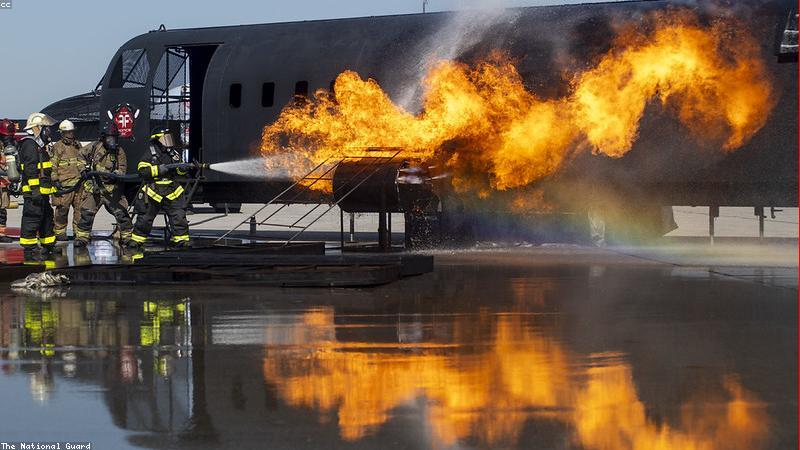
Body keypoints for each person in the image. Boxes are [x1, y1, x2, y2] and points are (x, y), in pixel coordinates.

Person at [74, 122, 134, 248]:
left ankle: (127, 237)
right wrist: (83, 170)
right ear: (103, 138)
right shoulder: (95, 147)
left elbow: (122, 168)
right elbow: (80, 155)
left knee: (122, 213)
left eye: (114, 138)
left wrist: (117, 174)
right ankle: (82, 238)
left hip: (111, 190)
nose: (112, 141)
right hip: (94, 188)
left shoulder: (119, 152)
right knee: (86, 214)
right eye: (109, 138)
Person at [131, 127, 190, 248]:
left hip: (172, 189)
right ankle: (137, 240)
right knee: (145, 217)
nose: (168, 141)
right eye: (165, 138)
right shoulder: (150, 152)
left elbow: (179, 171)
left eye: (169, 138)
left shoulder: (173, 153)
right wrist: (158, 170)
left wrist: (183, 169)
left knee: (178, 215)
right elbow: (142, 171)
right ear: (157, 139)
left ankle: (181, 239)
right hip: (154, 190)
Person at [18, 113, 58, 256]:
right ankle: (29, 248)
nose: (49, 132)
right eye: (46, 128)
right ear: (37, 128)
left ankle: (48, 244)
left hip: (43, 192)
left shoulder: (39, 146)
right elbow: (30, 170)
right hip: (34, 193)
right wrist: (35, 190)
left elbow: (44, 170)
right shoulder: (29, 145)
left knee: (46, 218)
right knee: (32, 218)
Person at [50, 120, 85, 241]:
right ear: (63, 133)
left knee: (80, 210)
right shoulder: (57, 147)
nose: (71, 134)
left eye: (72, 131)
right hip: (64, 185)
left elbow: (82, 161)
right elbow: (52, 165)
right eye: (68, 132)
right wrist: (55, 180)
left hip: (79, 184)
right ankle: (59, 232)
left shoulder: (77, 145)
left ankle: (79, 233)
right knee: (62, 210)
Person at [0, 119, 17, 243]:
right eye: (7, 136)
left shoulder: (13, 145)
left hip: (5, 183)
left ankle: (1, 234)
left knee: (2, 210)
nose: (8, 138)